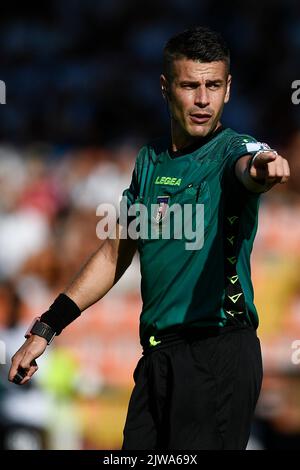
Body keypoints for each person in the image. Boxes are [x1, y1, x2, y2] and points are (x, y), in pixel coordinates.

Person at [8, 26, 290, 450]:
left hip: (216, 352)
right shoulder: (150, 161)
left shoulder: (233, 151)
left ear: (228, 90)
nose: (202, 99)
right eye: (189, 85)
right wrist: (46, 328)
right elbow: (115, 251)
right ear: (165, 87)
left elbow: (252, 167)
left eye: (213, 86)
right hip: (157, 358)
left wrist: (265, 168)